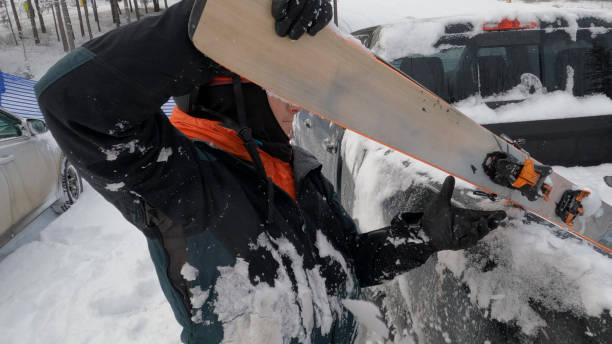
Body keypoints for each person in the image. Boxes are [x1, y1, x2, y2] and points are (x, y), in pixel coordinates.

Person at [35, 0, 506, 342]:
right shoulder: (174, 178)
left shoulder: (299, 170)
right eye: (284, 86)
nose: (299, 104)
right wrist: (224, 29)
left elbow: (348, 264)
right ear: (231, 89)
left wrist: (423, 237)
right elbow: (70, 100)